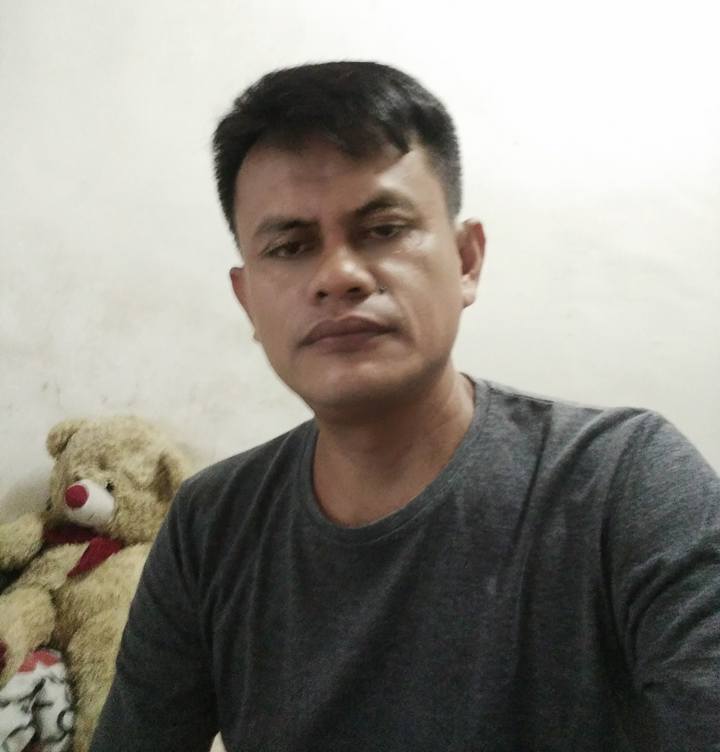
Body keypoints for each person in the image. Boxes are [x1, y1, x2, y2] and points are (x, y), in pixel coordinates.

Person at [90, 61, 720, 752]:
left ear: (467, 260)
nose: (338, 275)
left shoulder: (624, 483)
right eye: (290, 246)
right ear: (247, 300)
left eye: (384, 229)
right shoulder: (210, 524)